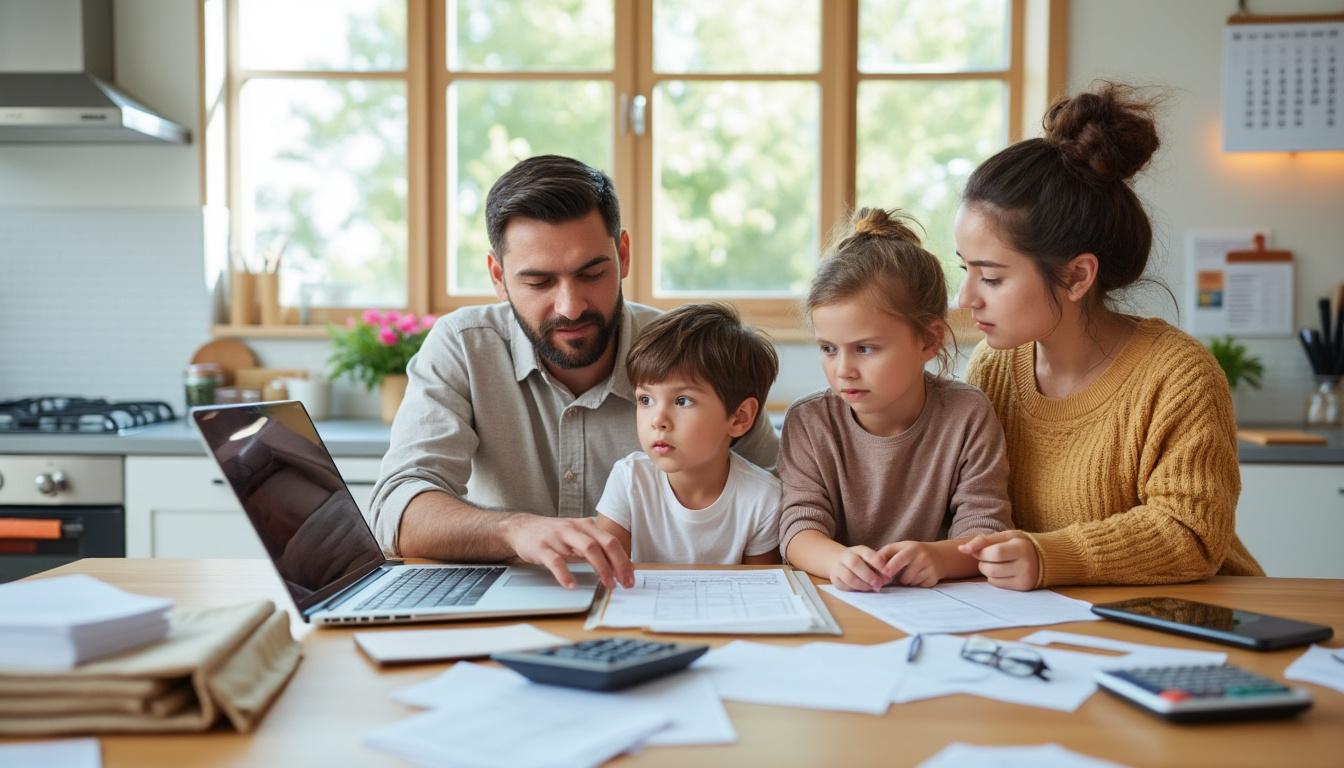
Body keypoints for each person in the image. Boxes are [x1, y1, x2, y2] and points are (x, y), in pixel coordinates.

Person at [368, 155, 780, 590]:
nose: (571, 306)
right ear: (498, 275)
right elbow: (397, 510)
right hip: (505, 601)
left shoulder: (685, 354)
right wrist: (515, 530)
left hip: (648, 605)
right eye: (539, 282)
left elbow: (776, 495)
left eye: (591, 273)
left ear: (622, 255)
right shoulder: (463, 345)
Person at [953, 83, 1264, 590]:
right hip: (1058, 621)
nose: (967, 297)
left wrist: (1047, 555)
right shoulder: (992, 367)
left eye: (991, 277)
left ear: (1077, 276)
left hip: (1201, 617)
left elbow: (1190, 534)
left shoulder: (1177, 376)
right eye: (965, 269)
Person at [778, 208, 1013, 591]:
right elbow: (798, 528)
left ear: (929, 340)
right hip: (841, 602)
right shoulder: (809, 422)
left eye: (865, 349)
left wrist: (938, 557)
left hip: (940, 605)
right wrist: (838, 560)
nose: (843, 370)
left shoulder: (967, 414)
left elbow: (986, 528)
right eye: (828, 349)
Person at [594, 303, 783, 565]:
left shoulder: (764, 499)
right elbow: (605, 577)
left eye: (682, 401)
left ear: (739, 418)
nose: (658, 420)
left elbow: (764, 592)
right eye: (646, 399)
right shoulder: (629, 480)